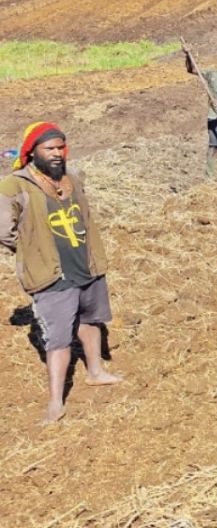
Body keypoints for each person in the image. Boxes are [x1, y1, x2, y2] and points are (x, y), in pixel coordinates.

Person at [0, 122, 122, 425]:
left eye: (60, 148)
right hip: (51, 274)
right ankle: (56, 402)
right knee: (58, 338)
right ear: (32, 152)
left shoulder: (72, 179)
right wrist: (31, 250)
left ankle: (95, 372)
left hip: (86, 264)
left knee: (91, 321)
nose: (56, 154)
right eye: (49, 148)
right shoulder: (14, 185)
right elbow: (4, 229)